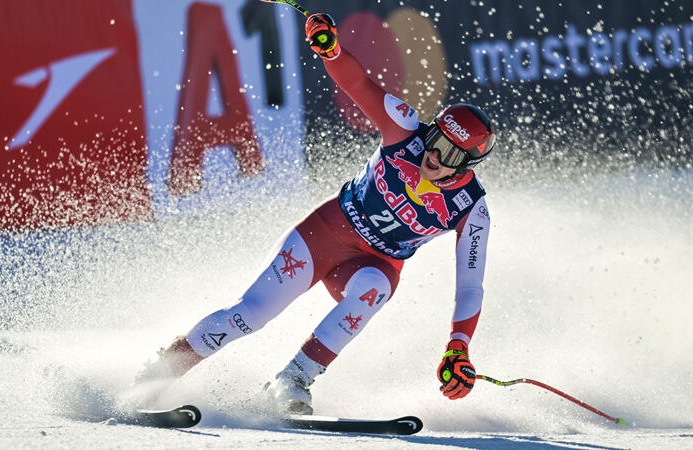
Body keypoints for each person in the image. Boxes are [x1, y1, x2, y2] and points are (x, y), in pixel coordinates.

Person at [135, 12, 495, 415]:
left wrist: (458, 347)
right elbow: (358, 82)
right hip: (326, 232)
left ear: (466, 167)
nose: (433, 156)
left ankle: (294, 379)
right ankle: (159, 371)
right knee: (250, 315)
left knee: (374, 292)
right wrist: (331, 49)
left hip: (373, 263)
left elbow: (469, 288)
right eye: (435, 140)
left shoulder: (470, 208)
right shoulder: (405, 131)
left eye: (448, 154)